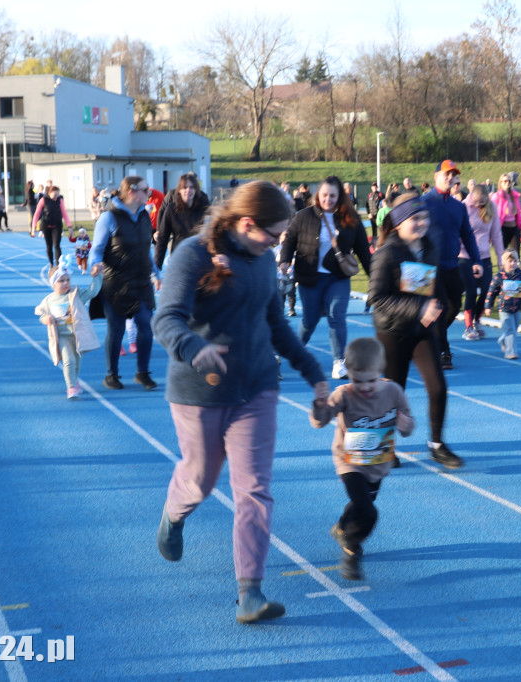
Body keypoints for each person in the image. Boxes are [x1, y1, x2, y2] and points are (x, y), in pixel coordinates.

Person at [152, 180, 329, 623]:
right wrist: (194, 348)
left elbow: (277, 325)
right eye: (273, 234)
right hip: (200, 392)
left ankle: (250, 592)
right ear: (247, 224)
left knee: (254, 489)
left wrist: (313, 373)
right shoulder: (193, 254)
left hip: (257, 388)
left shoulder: (264, 260)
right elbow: (166, 318)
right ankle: (174, 514)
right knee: (200, 480)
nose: (277, 243)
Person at [368, 193, 462, 470]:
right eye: (415, 218)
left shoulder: (429, 246)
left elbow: (433, 285)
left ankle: (437, 445)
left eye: (425, 217)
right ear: (398, 223)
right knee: (392, 393)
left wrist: (439, 308)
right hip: (392, 331)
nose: (422, 223)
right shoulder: (386, 253)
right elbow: (377, 298)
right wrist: (419, 309)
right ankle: (383, 447)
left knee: (438, 386)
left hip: (421, 331)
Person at [310, 336, 414, 581]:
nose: (365, 388)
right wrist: (319, 405)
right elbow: (319, 422)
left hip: (378, 463)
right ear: (349, 374)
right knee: (368, 512)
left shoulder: (394, 392)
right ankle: (352, 549)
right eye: (357, 381)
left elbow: (408, 426)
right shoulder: (344, 394)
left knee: (361, 503)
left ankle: (341, 527)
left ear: (380, 371)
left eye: (371, 381)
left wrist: (406, 424)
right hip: (349, 462)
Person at [279, 175, 372, 380]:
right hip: (310, 277)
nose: (328, 199)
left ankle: (339, 362)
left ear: (340, 197)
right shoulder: (304, 216)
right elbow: (290, 240)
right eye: (324, 195)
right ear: (317, 195)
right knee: (310, 320)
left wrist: (375, 278)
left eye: (332, 196)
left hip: (338, 277)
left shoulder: (351, 219)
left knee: (336, 316)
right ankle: (296, 351)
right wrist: (284, 260)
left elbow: (364, 252)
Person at [89, 176, 161, 391]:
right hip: (116, 284)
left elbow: (146, 250)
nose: (149, 193)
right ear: (132, 192)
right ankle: (111, 375)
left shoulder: (144, 216)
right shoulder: (108, 218)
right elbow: (96, 250)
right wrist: (94, 264)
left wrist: (156, 273)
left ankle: (142, 373)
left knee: (146, 326)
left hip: (141, 282)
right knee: (117, 329)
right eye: (145, 190)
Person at [422, 160, 482, 371]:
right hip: (428, 267)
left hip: (451, 265)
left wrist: (476, 260)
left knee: (454, 306)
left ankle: (424, 336)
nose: (450, 178)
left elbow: (467, 235)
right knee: (440, 307)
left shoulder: (459, 207)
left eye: (453, 174)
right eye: (446, 174)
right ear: (436, 176)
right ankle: (443, 351)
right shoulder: (422, 202)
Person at [35, 257, 103, 399]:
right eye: (61, 281)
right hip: (62, 336)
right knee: (68, 360)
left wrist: (97, 276)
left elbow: (92, 292)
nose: (66, 283)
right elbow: (41, 313)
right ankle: (71, 387)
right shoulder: (49, 300)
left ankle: (74, 381)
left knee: (77, 362)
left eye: (67, 280)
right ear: (53, 284)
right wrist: (45, 319)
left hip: (77, 335)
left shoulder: (76, 295)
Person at [460, 184, 503, 340]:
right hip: (465, 256)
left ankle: (477, 321)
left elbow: (496, 235)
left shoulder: (492, 208)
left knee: (487, 291)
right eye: (477, 202)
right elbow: (458, 233)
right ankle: (468, 327)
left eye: (483, 202)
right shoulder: (463, 207)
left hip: (484, 256)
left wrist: (500, 258)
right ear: (472, 196)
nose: (479, 205)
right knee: (471, 291)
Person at [155, 173, 211, 270]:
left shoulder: (203, 206)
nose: (188, 190)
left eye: (191, 187)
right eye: (185, 187)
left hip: (199, 256)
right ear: (179, 190)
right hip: (179, 256)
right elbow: (162, 240)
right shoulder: (171, 209)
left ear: (196, 190)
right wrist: (156, 267)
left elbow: (213, 231)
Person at [484, 250, 521, 360]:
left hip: (517, 307)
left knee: (513, 329)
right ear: (503, 262)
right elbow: (491, 292)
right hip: (504, 309)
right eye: (510, 261)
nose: (513, 263)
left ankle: (503, 340)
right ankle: (510, 352)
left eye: (515, 261)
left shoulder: (520, 275)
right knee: (510, 331)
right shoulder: (499, 277)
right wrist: (488, 307)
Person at [32, 185, 73, 271]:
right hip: (46, 225)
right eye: (54, 195)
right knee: (49, 245)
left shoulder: (60, 200)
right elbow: (37, 214)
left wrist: (69, 226)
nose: (56, 197)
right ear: (49, 193)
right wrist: (33, 228)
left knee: (57, 245)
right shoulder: (43, 200)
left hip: (57, 225)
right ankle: (51, 264)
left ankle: (59, 265)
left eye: (57, 195)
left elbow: (64, 214)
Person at [493, 173, 521, 254]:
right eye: (505, 181)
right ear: (500, 183)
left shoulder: (514, 196)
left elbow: (519, 214)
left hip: (514, 229)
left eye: (509, 181)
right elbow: (492, 214)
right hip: (502, 229)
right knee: (502, 254)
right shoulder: (496, 196)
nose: (507, 183)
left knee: (516, 255)